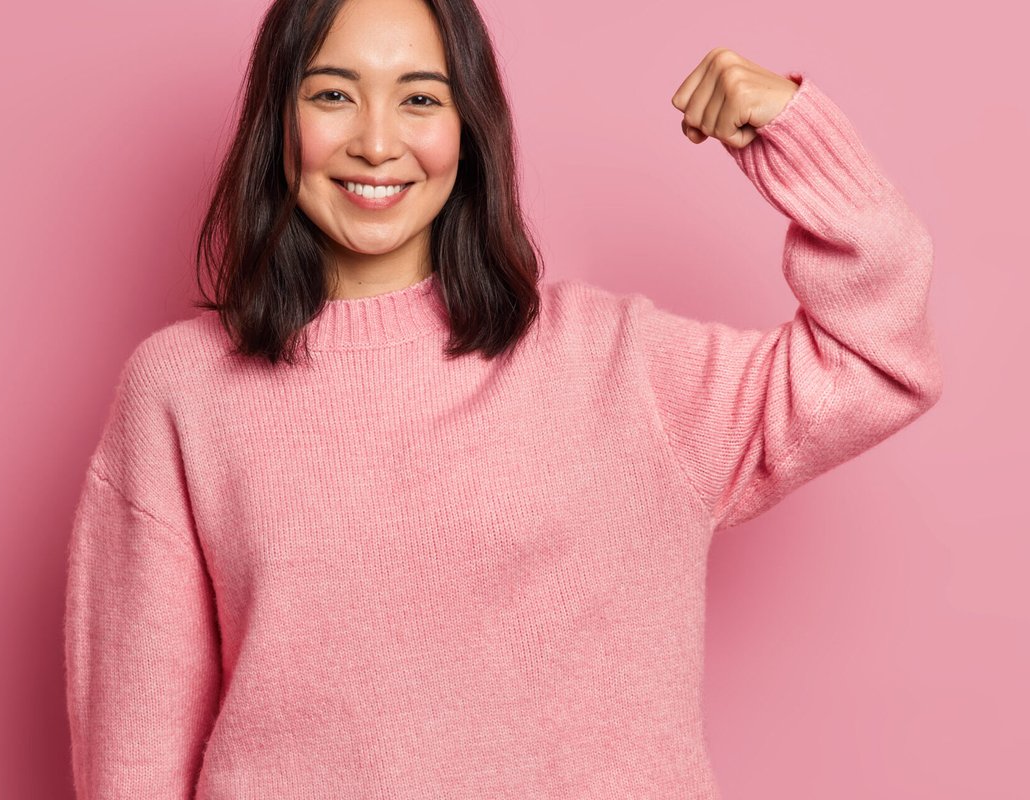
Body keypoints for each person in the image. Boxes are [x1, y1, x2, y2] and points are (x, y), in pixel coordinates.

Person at [63, 0, 942, 796]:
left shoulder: (622, 367)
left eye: (420, 98)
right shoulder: (181, 393)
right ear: (278, 121)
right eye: (332, 95)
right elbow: (133, 763)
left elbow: (876, 359)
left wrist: (794, 137)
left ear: (469, 129)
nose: (377, 141)